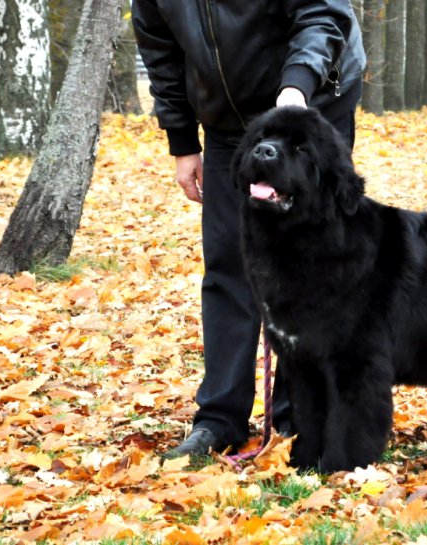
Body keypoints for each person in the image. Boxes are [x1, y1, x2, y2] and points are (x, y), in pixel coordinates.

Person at [131, 0, 366, 457]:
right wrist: (182, 142)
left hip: (309, 104)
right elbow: (160, 50)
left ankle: (301, 416)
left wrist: (296, 87)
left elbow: (321, 12)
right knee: (228, 261)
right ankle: (219, 419)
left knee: (308, 265)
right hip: (228, 121)